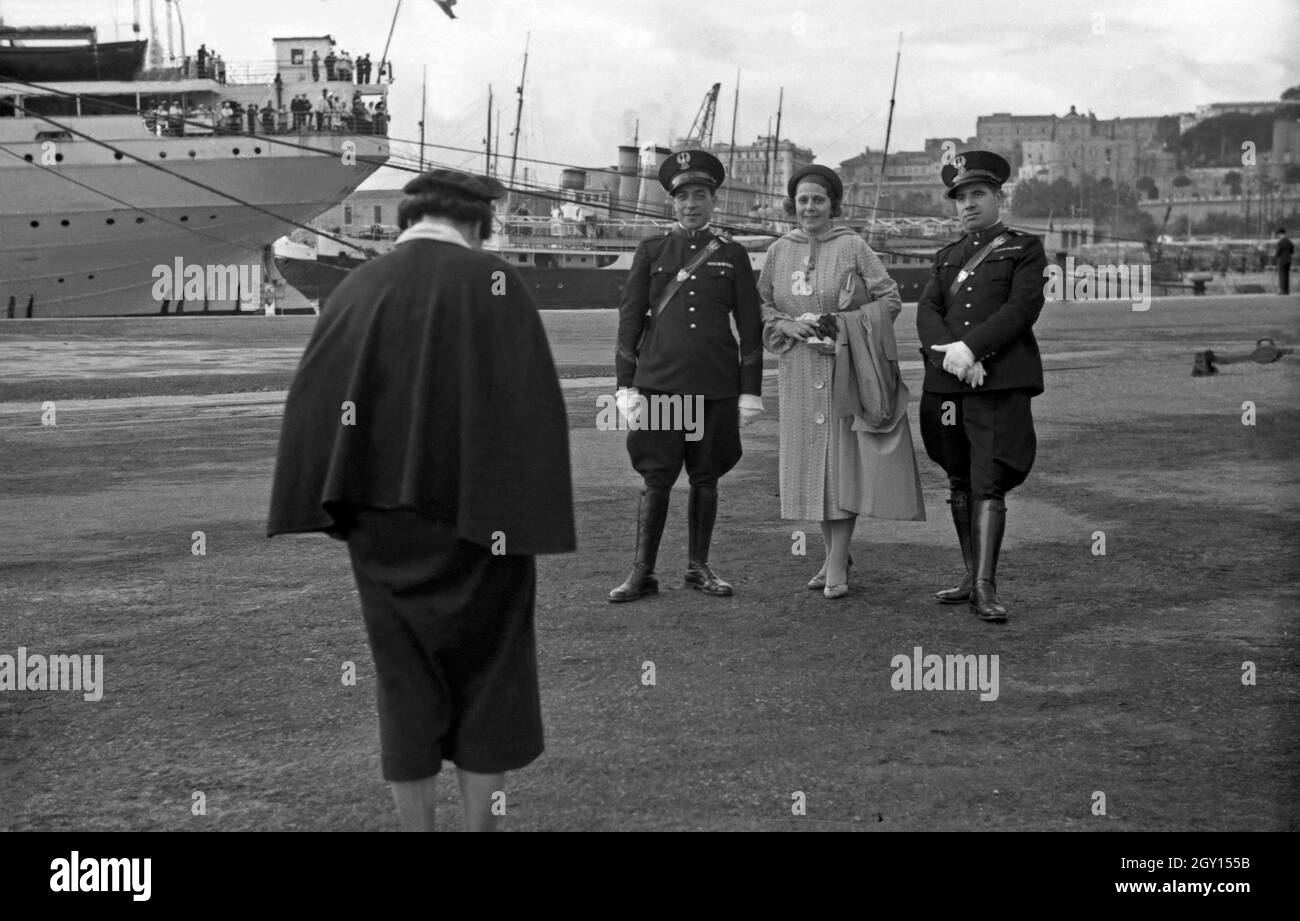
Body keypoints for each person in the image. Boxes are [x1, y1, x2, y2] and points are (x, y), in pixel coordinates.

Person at [266, 169, 575, 831]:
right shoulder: (495, 283)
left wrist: (332, 501)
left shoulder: (357, 286)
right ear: (478, 224)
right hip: (482, 517)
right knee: (492, 682)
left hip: (381, 522)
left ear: (409, 219)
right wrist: (529, 513)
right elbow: (532, 407)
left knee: (403, 682)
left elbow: (314, 397)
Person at [759, 165, 924, 599]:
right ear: (792, 204)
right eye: (802, 199)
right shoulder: (778, 250)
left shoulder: (852, 245)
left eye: (818, 199)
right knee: (812, 468)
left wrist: (845, 333)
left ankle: (836, 563)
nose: (809, 207)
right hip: (796, 373)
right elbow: (759, 303)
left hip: (842, 370)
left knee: (838, 466)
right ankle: (833, 554)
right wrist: (783, 324)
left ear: (834, 204)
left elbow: (890, 298)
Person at [609, 149, 764, 602]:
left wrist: (749, 391)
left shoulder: (732, 254)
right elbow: (630, 319)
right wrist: (624, 385)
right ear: (671, 204)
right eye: (683, 197)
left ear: (713, 200)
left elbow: (750, 326)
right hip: (660, 384)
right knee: (656, 479)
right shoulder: (652, 250)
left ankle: (699, 568)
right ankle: (643, 573)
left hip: (716, 385)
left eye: (700, 195)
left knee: (706, 477)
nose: (691, 204)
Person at [915, 150, 1047, 624]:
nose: (968, 204)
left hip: (996, 382)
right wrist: (949, 354)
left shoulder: (1024, 248)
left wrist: (971, 350)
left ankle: (986, 587)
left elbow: (1021, 308)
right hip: (948, 386)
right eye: (961, 198)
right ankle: (970, 575)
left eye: (977, 194)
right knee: (958, 477)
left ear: (997, 197)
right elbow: (927, 312)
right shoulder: (946, 256)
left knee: (989, 480)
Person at [1275, 227, 1294, 295]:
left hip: (1282, 261)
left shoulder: (1281, 242)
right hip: (1288, 260)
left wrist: (1275, 256)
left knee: (1282, 276)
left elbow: (1278, 252)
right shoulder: (1289, 241)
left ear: (1280, 234)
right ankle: (1286, 291)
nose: (1277, 236)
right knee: (1287, 276)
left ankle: (1282, 291)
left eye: (1278, 234)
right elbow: (1292, 251)